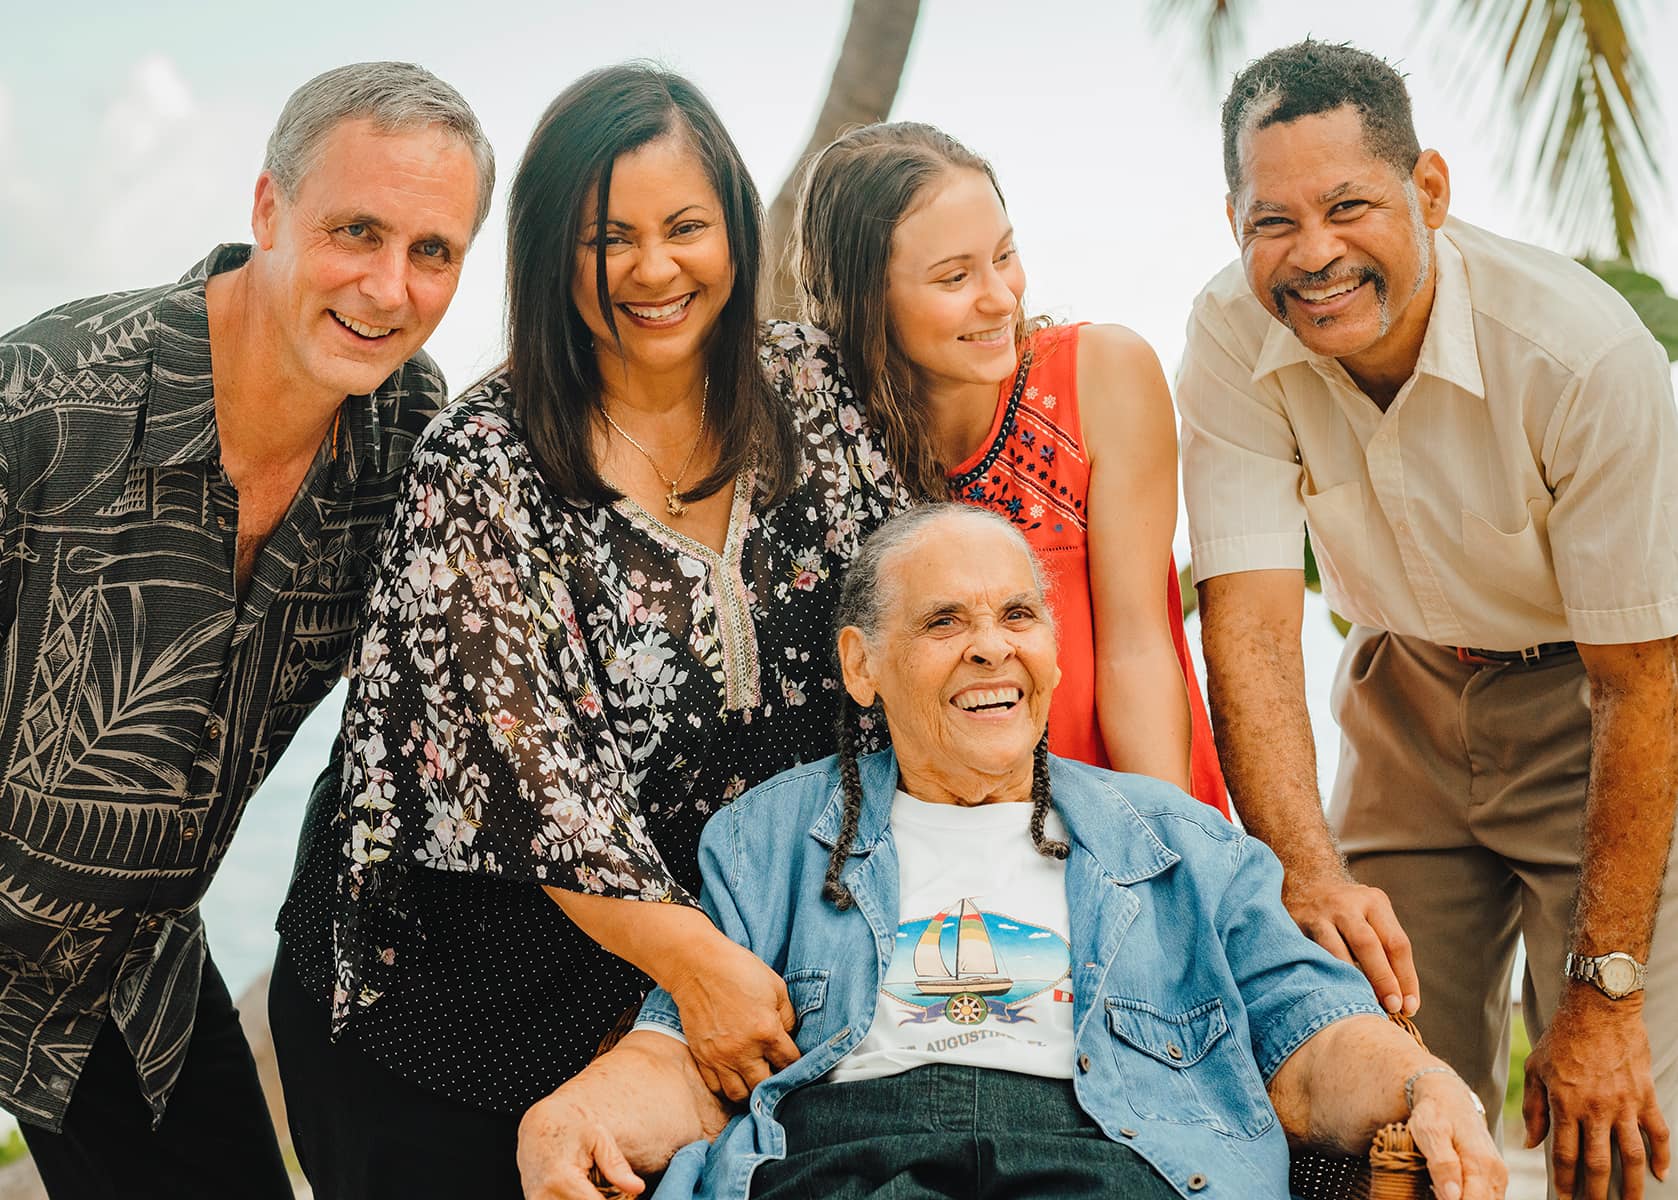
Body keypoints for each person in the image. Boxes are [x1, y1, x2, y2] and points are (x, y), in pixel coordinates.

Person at [269, 63, 908, 1199]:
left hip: (699, 993)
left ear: (735, 232)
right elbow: (532, 776)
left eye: (686, 228)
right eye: (608, 238)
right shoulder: (483, 461)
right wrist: (701, 972)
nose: (654, 270)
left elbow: (909, 612)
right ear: (548, 257)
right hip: (448, 1012)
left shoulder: (814, 387)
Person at [515, 503, 1506, 1200]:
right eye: (944, 622)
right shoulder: (768, 838)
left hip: (1116, 1153)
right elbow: (678, 1053)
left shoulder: (1175, 839)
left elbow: (1307, 1029)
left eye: (1016, 615)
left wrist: (1425, 1085)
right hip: (844, 1161)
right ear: (863, 666)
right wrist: (563, 1120)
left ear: (1053, 650)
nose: (991, 647)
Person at [1178, 38, 1678, 1199]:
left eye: (1349, 205)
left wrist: (1603, 996)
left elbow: (1640, 683)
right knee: (1378, 1107)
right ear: (1233, 221)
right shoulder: (1225, 332)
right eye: (1272, 222)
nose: (1313, 256)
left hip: (1598, 718)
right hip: (1399, 697)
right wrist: (1305, 874)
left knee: (1611, 1130)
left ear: (1430, 191)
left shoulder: (1580, 355)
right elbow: (1247, 630)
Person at [0, 61, 491, 1199]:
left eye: (433, 252)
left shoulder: (409, 435)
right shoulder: (46, 396)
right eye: (355, 230)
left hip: (128, 973)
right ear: (267, 210)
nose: (387, 287)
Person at [793, 122, 1227, 811]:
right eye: (955, 277)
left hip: (1114, 810)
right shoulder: (822, 432)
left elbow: (1137, 652)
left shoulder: (1103, 377)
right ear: (867, 298)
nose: (999, 297)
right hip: (928, 844)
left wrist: (1169, 857)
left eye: (1004, 255)